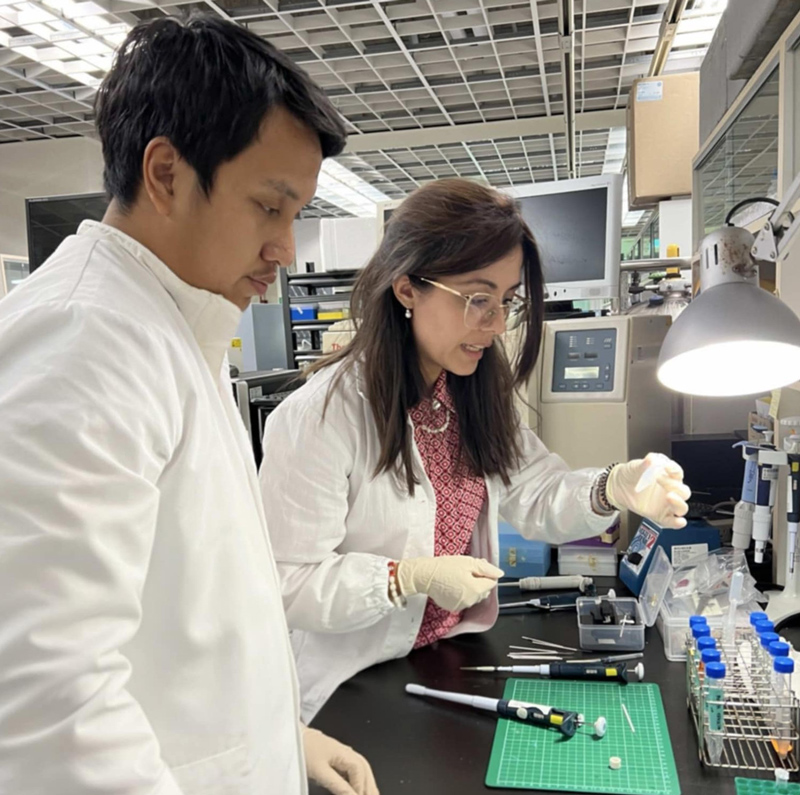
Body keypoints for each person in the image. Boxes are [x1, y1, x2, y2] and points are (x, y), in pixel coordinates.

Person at [0, 16, 377, 795]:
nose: (288, 247)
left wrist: (280, 736)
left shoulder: (170, 324)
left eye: (297, 212)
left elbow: (190, 617)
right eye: (270, 207)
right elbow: (46, 702)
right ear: (166, 174)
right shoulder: (84, 342)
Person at [259, 178, 691, 722]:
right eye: (477, 299)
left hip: (445, 653)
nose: (494, 324)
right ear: (407, 288)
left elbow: (534, 492)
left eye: (506, 301)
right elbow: (287, 583)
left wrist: (614, 487)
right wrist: (403, 577)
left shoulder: (469, 387)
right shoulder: (319, 417)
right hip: (350, 684)